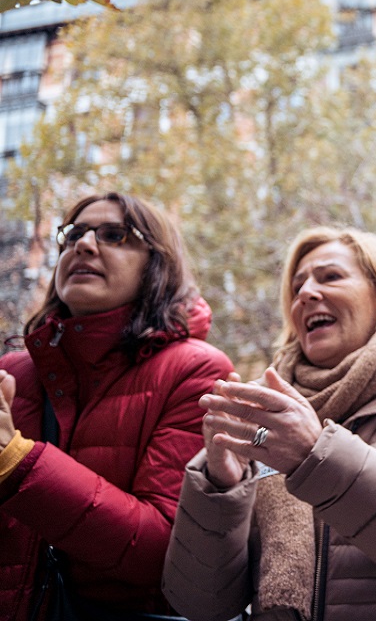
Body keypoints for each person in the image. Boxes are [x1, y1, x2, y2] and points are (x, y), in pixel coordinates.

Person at [163, 226, 376, 621]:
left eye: (330, 277)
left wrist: (315, 455)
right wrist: (220, 487)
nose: (306, 294)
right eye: (297, 288)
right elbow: (198, 604)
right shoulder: (264, 418)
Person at [0, 192, 235, 620]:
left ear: (156, 265)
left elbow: (161, 554)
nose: (83, 245)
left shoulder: (195, 372)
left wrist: (17, 462)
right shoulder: (12, 373)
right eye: (72, 235)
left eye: (114, 235)